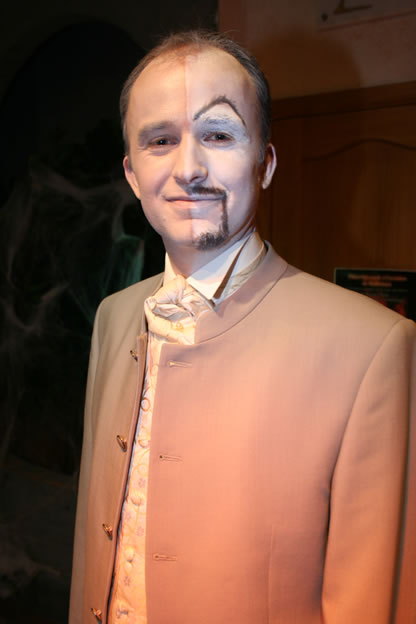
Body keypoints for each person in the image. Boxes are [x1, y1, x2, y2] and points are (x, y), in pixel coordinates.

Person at [69, 30, 416, 624]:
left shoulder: (373, 347)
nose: (188, 169)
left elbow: (374, 593)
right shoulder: (113, 317)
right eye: (160, 140)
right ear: (131, 173)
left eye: (218, 135)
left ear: (266, 162)